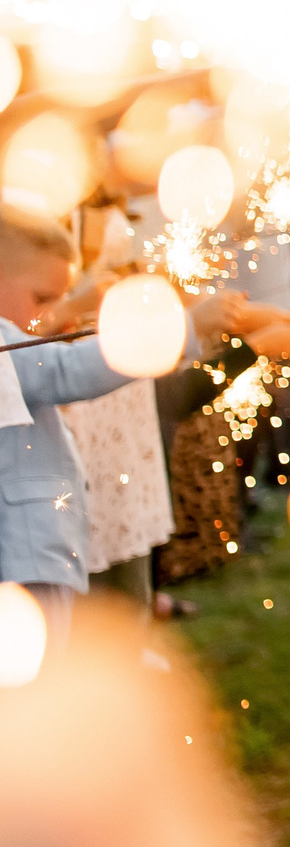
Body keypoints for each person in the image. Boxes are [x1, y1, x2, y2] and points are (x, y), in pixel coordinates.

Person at [0, 208, 198, 635]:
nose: (56, 314)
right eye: (42, 299)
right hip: (23, 558)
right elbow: (66, 369)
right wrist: (185, 329)